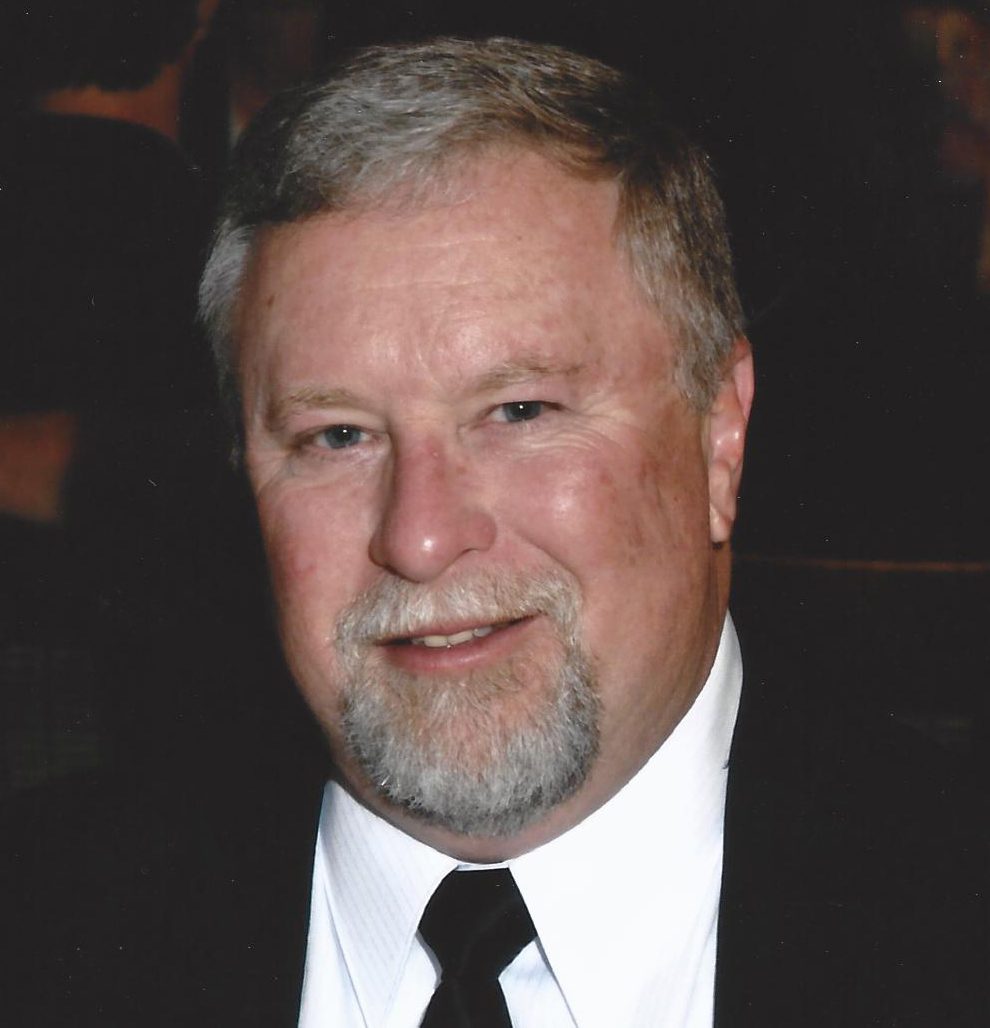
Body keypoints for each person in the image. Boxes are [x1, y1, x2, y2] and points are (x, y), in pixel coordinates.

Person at [5, 36, 986, 1027]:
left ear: (719, 435)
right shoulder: (43, 925)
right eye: (337, 434)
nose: (422, 536)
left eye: (520, 411)